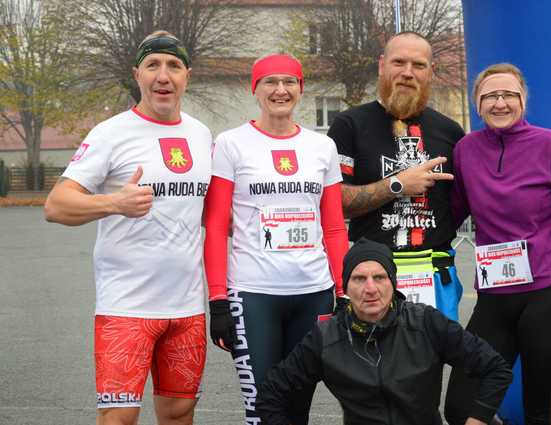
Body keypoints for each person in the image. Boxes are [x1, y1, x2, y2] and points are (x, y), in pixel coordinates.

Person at [44, 31, 212, 425]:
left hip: (187, 306)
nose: (163, 75)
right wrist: (113, 203)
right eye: (153, 65)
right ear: (137, 74)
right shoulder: (111, 133)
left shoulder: (201, 134)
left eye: (173, 66)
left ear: (188, 75)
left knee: (179, 413)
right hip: (127, 306)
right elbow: (55, 205)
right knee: (119, 417)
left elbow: (210, 212)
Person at [444, 63, 551, 425]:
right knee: (460, 407)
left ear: (522, 100)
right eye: (490, 96)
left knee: (539, 410)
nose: (500, 103)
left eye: (508, 95)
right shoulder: (466, 149)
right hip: (494, 296)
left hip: (546, 293)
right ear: (477, 104)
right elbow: (453, 212)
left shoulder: (550, 145)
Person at [203, 53, 349, 425]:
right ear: (255, 89)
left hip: (312, 290)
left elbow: (333, 227)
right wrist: (218, 299)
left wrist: (342, 290)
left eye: (289, 82)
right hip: (254, 293)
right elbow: (217, 224)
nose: (280, 90)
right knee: (263, 408)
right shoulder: (232, 143)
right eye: (270, 82)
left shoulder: (322, 147)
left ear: (301, 89)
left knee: (297, 408)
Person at [256, 238, 513, 425]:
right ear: (346, 287)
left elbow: (496, 369)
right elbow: (270, 394)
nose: (370, 288)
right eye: (359, 279)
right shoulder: (326, 336)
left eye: (379, 277)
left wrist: (477, 419)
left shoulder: (425, 322)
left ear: (393, 282)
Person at [328, 31, 465, 321]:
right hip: (373, 273)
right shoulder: (349, 124)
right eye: (398, 62)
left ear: (431, 72)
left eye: (418, 65)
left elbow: (463, 201)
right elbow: (334, 201)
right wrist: (398, 184)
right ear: (381, 65)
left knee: (433, 362)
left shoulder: (451, 132)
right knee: (373, 363)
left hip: (435, 271)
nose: (407, 73)